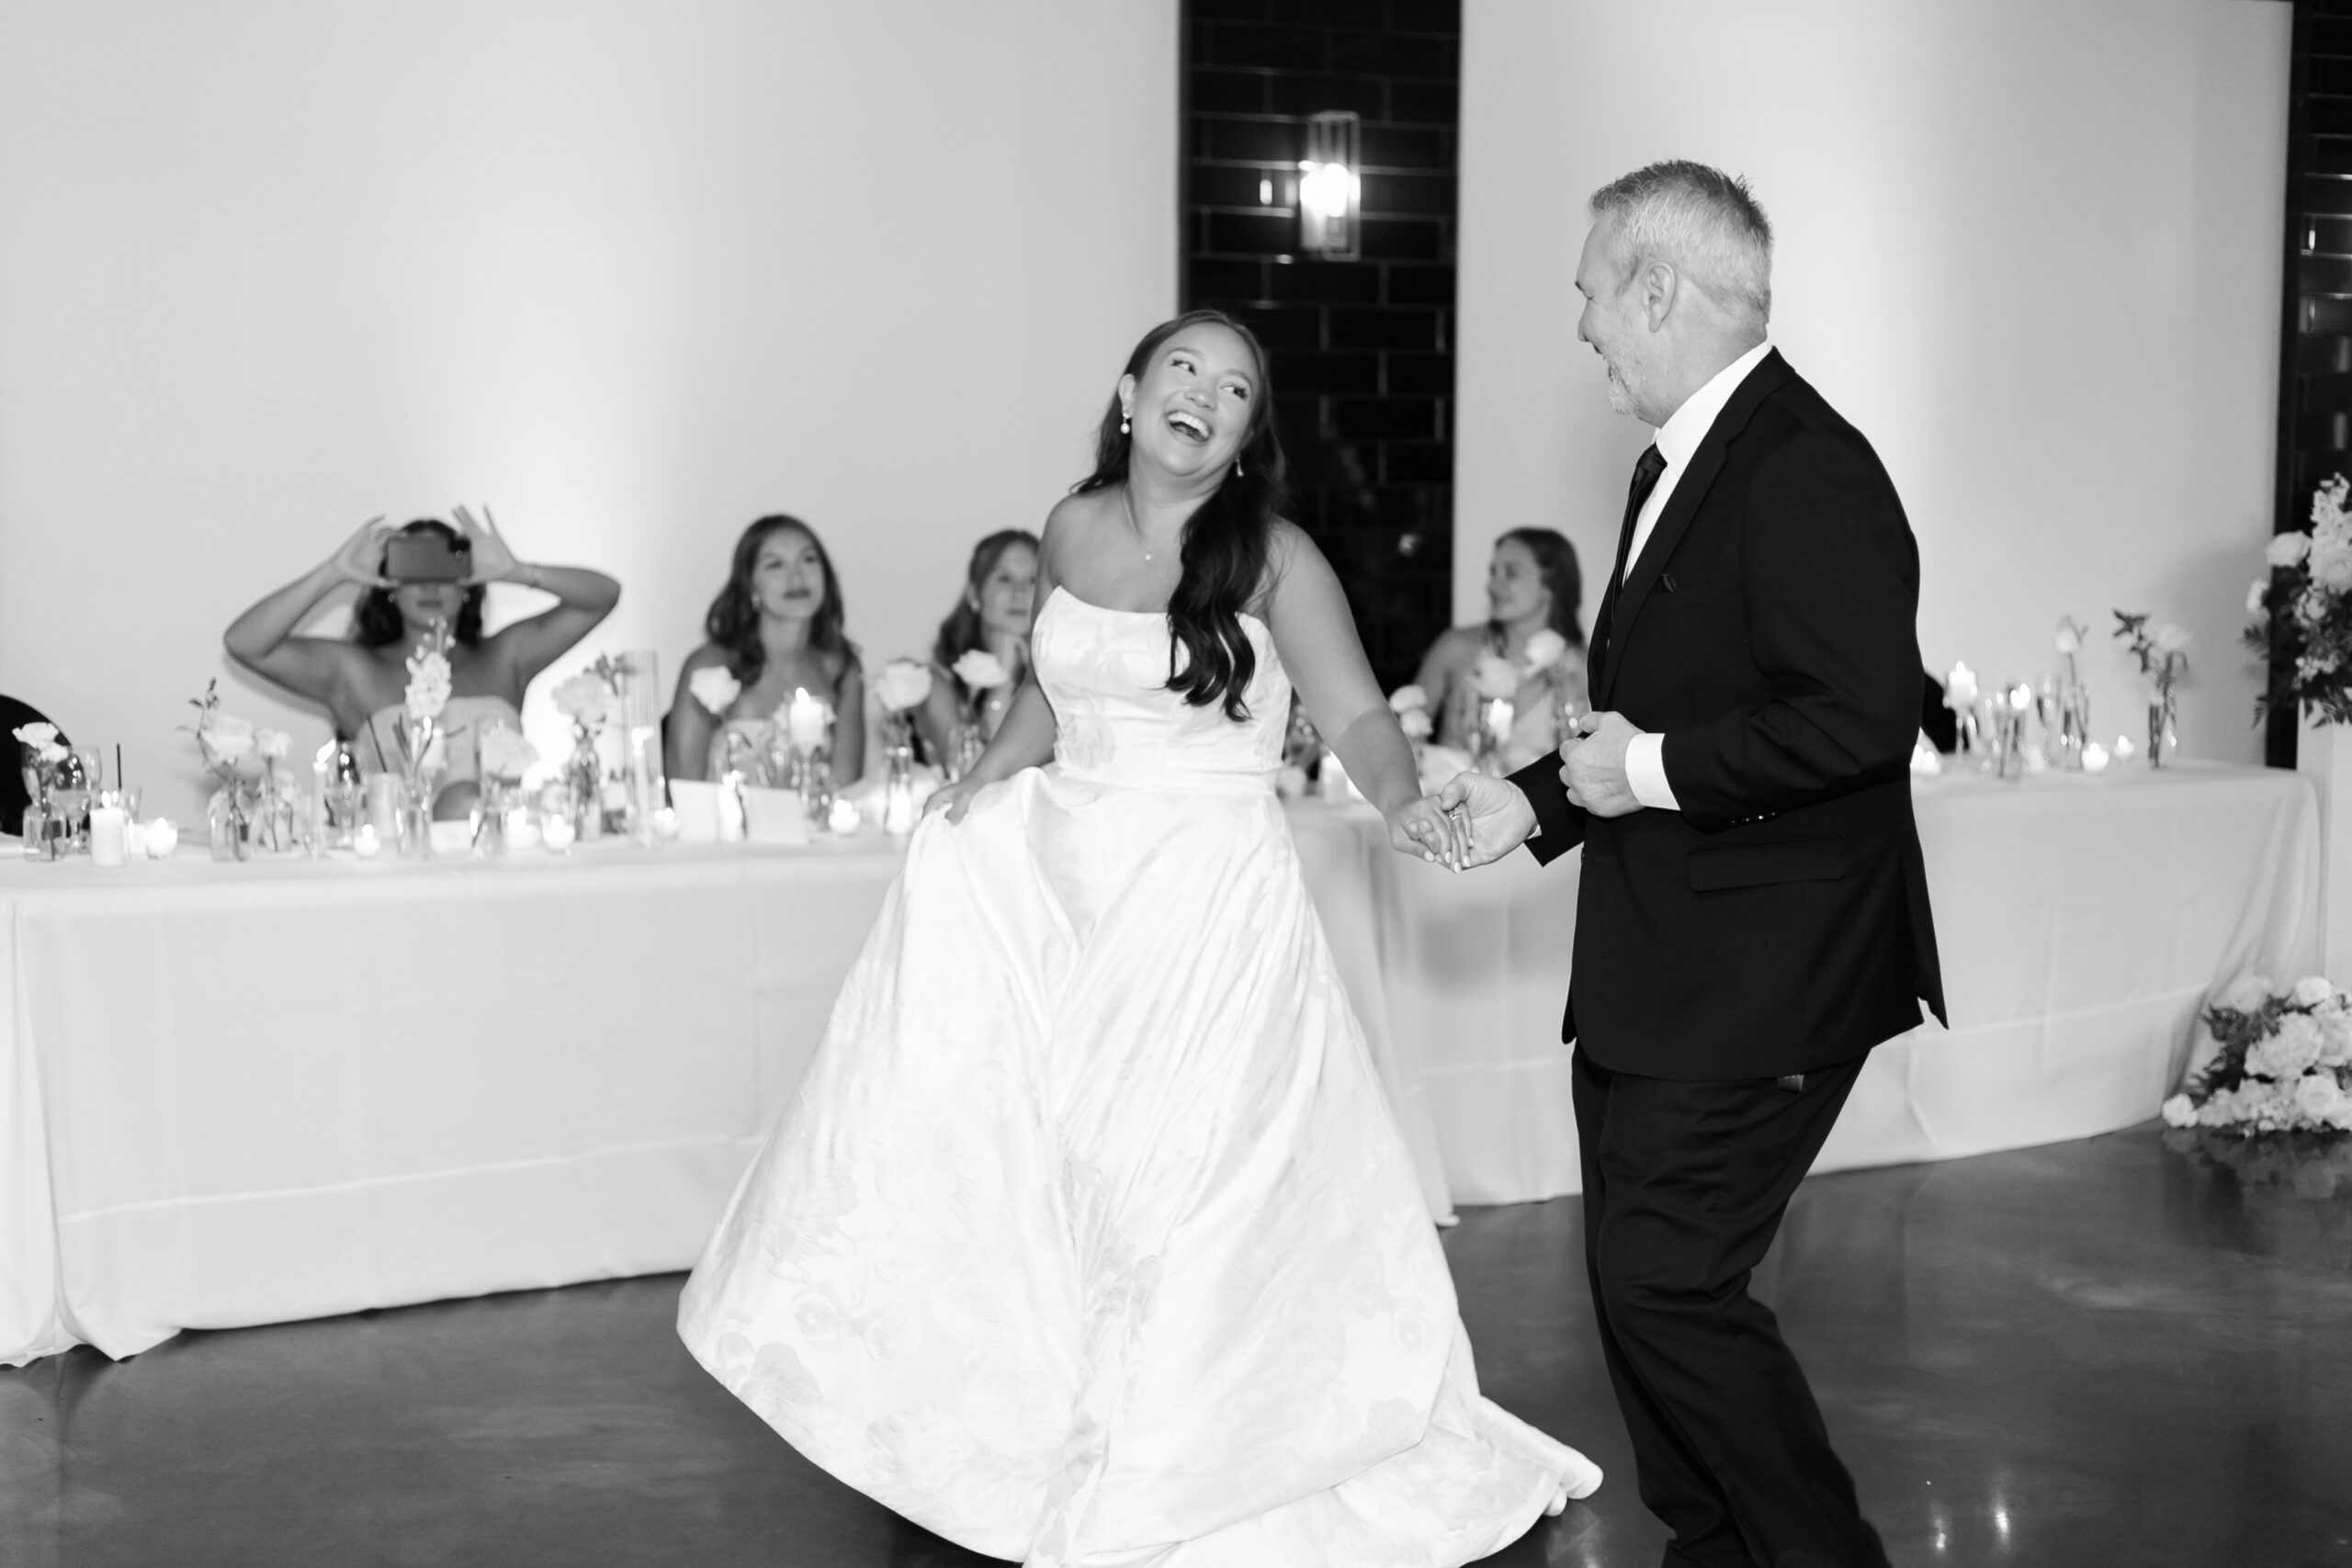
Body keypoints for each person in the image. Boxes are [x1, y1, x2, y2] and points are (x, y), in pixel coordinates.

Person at [679, 309, 1599, 1564]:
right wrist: (982, 781)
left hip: (1208, 891)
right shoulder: (1071, 526)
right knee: (1059, 1156)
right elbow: (1056, 686)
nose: (1203, 395)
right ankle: (1061, 1408)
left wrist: (1407, 803)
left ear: (1244, 434)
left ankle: (1182, 1449)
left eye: (1233, 389)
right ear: (1130, 391)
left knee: (1187, 1173)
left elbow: (1353, 715)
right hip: (1066, 879)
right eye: (1183, 369)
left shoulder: (1274, 557)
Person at [1441, 162, 1945, 1568]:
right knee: (1638, 1290)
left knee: (1667, 1283)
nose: (1586, 328)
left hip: (1762, 976)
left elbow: (1859, 716)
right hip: (1667, 967)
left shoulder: (1802, 465)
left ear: (1657, 286)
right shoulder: (1682, 458)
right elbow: (1672, 709)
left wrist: (1639, 768)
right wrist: (1533, 804)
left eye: (1594, 292)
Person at [223, 511, 619, 819]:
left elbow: (602, 597)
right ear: (392, 587)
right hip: (399, 868)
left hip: (501, 860)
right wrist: (333, 574)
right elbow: (245, 643)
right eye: (415, 570)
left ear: (467, 585)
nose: (430, 587)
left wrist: (518, 571)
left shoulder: (504, 657)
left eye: (444, 571)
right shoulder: (355, 671)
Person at [665, 515, 865, 788]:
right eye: (775, 565)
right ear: (750, 586)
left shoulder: (841, 668)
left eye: (808, 560)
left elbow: (846, 784)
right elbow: (684, 786)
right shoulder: (711, 666)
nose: (797, 577)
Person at [1415, 528, 1590, 768]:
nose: (1493, 586)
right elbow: (1402, 735)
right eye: (1493, 572)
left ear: (1551, 586)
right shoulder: (1455, 648)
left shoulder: (1583, 668)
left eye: (1511, 573)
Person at [913, 528, 1037, 768]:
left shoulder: (1059, 674)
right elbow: (970, 773)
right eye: (1004, 578)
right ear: (974, 593)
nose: (1019, 593)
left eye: (1032, 580)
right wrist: (1002, 685)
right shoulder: (936, 681)